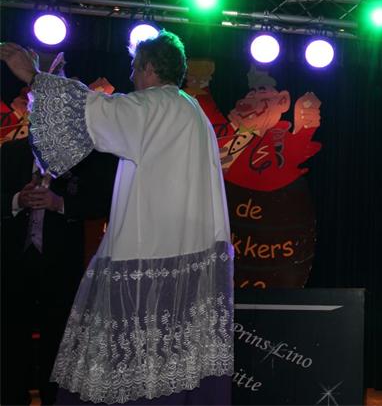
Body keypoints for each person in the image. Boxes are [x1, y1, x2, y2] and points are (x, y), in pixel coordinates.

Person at [0, 31, 234, 405]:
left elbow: (91, 112)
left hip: (149, 260)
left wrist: (34, 77)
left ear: (150, 68)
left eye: (134, 68)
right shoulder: (191, 110)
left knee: (132, 372)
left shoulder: (152, 106)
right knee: (175, 367)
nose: (131, 77)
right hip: (189, 261)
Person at [0, 138, 116, 405]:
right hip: (13, 266)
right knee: (10, 342)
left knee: (57, 343)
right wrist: (18, 200)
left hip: (62, 268)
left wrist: (59, 203)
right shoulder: (10, 152)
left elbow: (102, 201)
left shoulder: (83, 154)